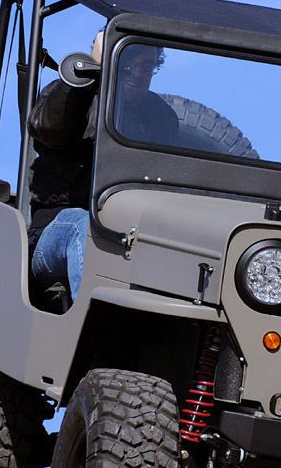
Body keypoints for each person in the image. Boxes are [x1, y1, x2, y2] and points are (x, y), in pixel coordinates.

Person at [26, 38, 177, 302]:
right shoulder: (72, 96)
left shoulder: (159, 116)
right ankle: (98, 327)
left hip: (130, 233)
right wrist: (91, 74)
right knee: (80, 226)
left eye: (147, 66)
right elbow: (47, 128)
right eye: (130, 63)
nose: (139, 74)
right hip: (54, 233)